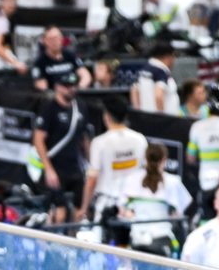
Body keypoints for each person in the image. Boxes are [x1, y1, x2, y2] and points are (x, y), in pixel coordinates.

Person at [124, 145, 191, 270]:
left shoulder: (131, 180)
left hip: (137, 241)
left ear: (145, 158)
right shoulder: (172, 182)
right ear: (164, 160)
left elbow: (125, 211)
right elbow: (179, 212)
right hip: (159, 242)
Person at [83, 96, 147, 228]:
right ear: (126, 116)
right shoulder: (140, 139)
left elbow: (92, 179)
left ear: (106, 116)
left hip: (107, 205)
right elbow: (145, 170)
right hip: (133, 205)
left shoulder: (99, 142)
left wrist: (84, 208)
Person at [33, 73, 89, 223]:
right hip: (56, 168)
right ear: (57, 87)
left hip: (76, 168)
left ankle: (73, 242)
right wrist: (49, 169)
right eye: (66, 86)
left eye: (73, 86)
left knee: (79, 214)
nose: (71, 89)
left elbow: (84, 138)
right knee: (60, 214)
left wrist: (89, 162)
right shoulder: (49, 109)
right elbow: (38, 139)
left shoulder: (81, 107)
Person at [32, 26, 89, 91]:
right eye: (51, 39)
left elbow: (86, 76)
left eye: (57, 37)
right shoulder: (40, 61)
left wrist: (78, 89)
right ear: (45, 41)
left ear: (61, 38)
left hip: (73, 91)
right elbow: (41, 85)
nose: (54, 41)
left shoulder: (69, 55)